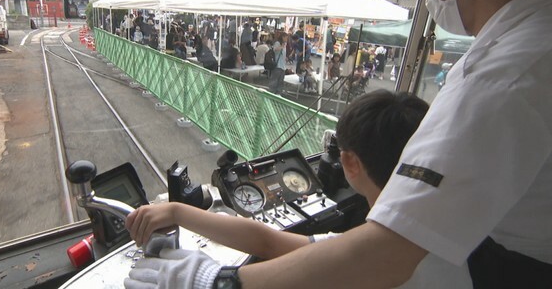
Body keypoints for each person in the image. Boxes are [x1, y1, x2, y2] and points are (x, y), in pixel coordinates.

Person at [124, 0, 552, 288]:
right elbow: (278, 243)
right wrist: (180, 212)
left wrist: (217, 282)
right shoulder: (526, 50)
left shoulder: (504, 73)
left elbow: (383, 254)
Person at [125, 91, 474, 289]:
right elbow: (268, 241)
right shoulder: (419, 236)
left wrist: (208, 281)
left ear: (349, 164)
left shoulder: (372, 259)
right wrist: (177, 212)